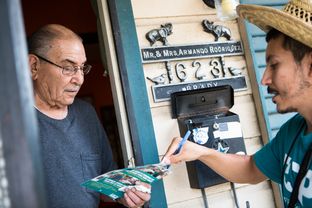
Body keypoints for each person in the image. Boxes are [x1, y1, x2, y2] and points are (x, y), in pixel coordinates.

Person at [164, 0, 312, 207]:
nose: (265, 79)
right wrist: (201, 151)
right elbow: (252, 169)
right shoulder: (295, 130)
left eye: (274, 65)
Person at [28, 24, 150, 208]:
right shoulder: (10, 121)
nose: (79, 79)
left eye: (82, 68)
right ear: (34, 66)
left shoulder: (86, 114)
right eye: (68, 68)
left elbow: (103, 185)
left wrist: (125, 192)